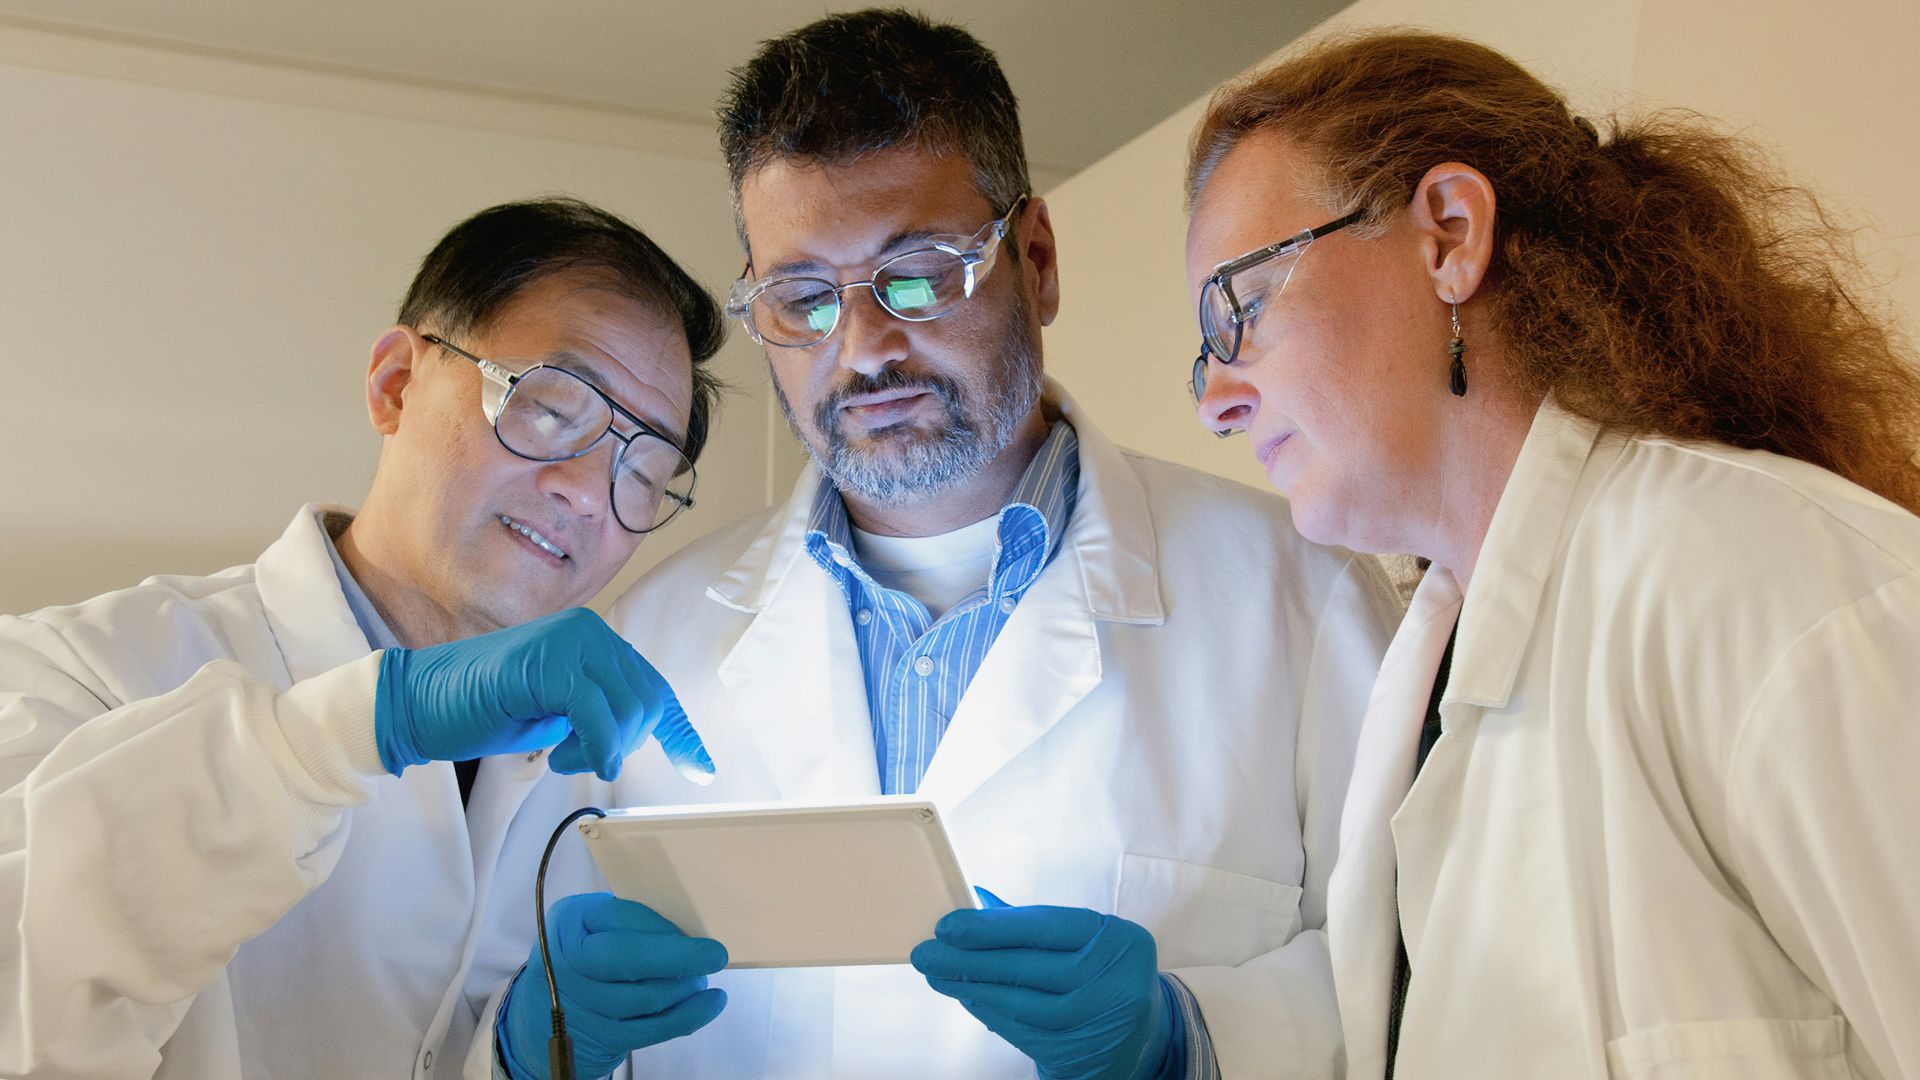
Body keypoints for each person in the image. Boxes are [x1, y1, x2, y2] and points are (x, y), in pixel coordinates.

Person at [602, 10, 1403, 1080]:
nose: (866, 349)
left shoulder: (1305, 597)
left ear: (1036, 260)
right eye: (802, 299)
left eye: (921, 273)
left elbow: (1422, 977)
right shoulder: (651, 640)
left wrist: (1189, 1041)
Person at [1183, 30, 1920, 1080]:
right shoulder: (1423, 678)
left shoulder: (1771, 584)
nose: (1218, 399)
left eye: (1241, 310)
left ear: (1447, 235)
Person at [0, 198, 741, 1079]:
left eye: (644, 471)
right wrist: (346, 732)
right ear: (395, 383)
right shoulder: (78, 668)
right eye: (552, 407)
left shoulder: (600, 782)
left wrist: (521, 1055)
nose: (588, 491)